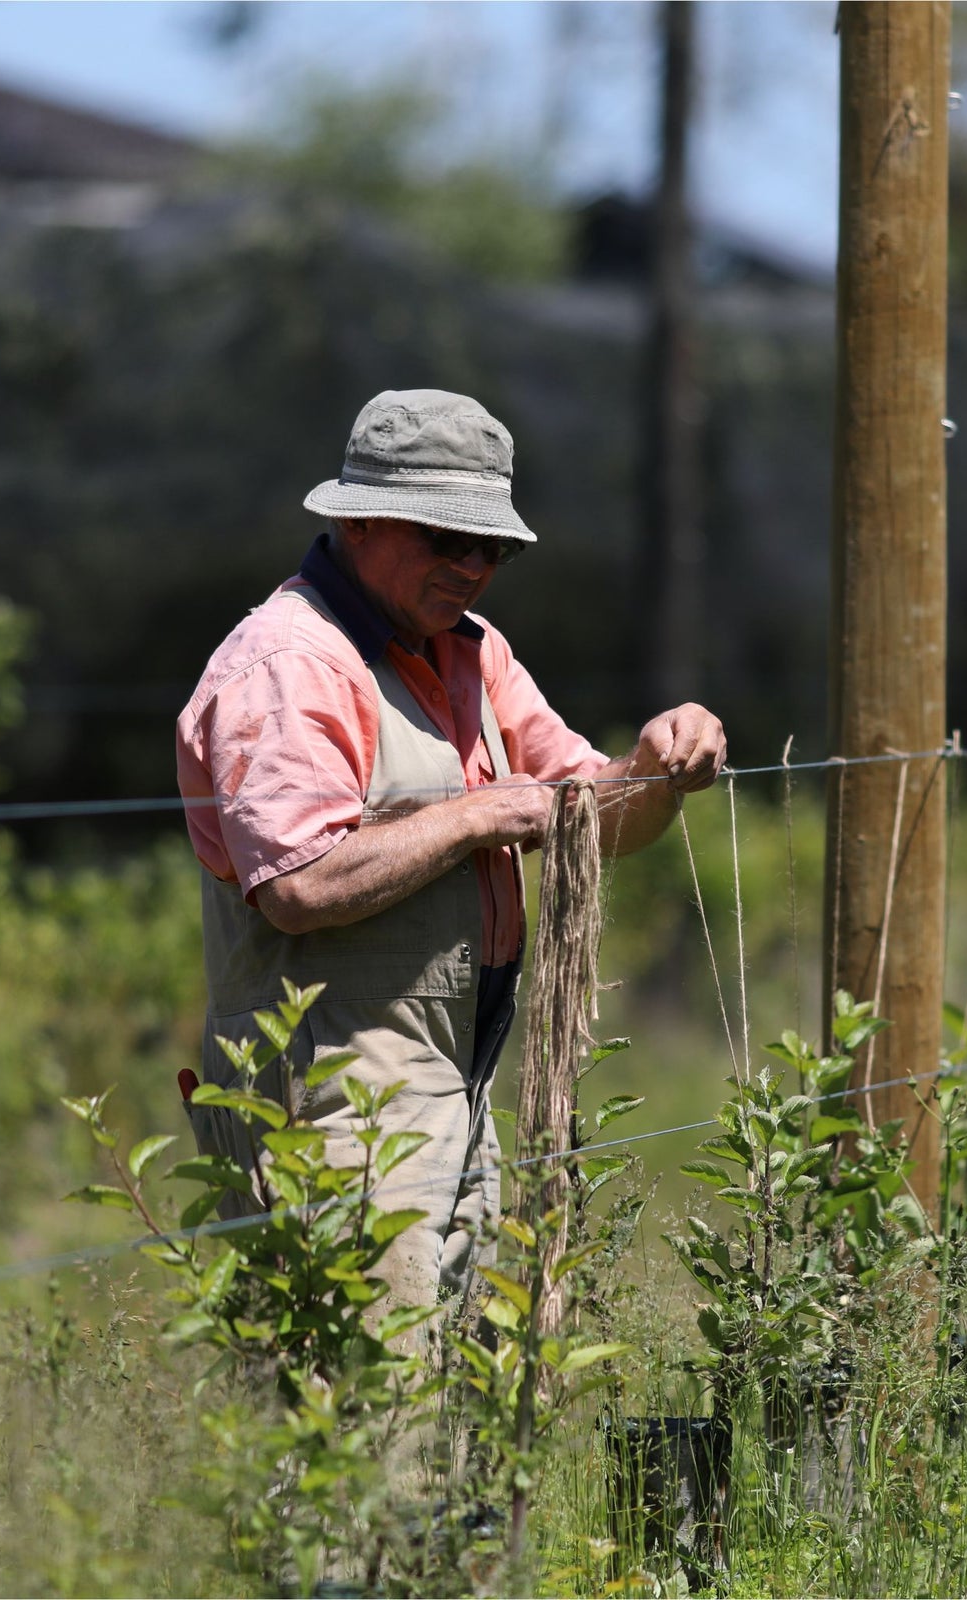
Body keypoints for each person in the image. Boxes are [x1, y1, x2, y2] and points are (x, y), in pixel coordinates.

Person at [175, 388, 726, 1311]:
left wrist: (659, 767)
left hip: (449, 1070)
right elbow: (299, 886)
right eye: (446, 538)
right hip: (330, 1080)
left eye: (494, 547)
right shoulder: (290, 663)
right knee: (364, 1407)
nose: (473, 566)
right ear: (360, 522)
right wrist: (477, 815)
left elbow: (588, 815)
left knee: (446, 1400)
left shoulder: (472, 652)